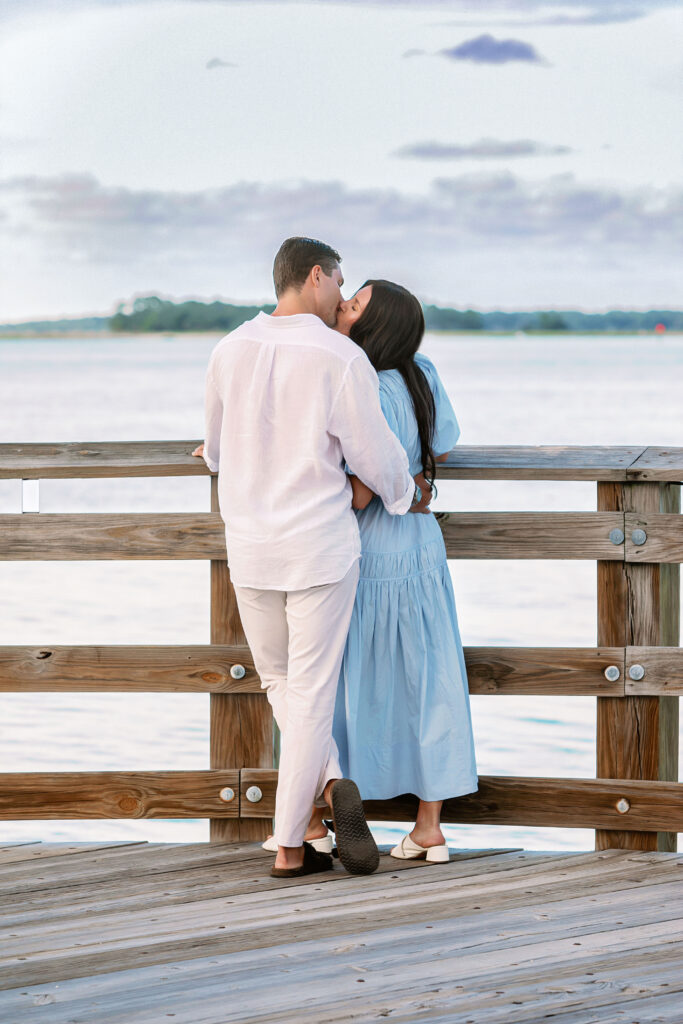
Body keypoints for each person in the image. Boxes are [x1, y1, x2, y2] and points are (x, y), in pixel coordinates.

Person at [194, 239, 432, 879]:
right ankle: (291, 840)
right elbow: (377, 457)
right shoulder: (340, 355)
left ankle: (321, 805)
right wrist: (408, 494)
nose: (342, 296)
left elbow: (215, 452)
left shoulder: (228, 349)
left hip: (251, 546)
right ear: (316, 276)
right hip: (321, 545)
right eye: (341, 283)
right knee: (314, 691)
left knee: (281, 685)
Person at [306, 279, 478, 862]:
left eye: (352, 307)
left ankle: (318, 813)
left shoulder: (360, 383)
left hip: (366, 552)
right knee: (429, 680)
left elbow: (358, 487)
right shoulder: (421, 371)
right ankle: (429, 829)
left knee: (342, 681)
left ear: (373, 328)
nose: (341, 309)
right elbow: (443, 445)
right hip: (421, 548)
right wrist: (415, 475)